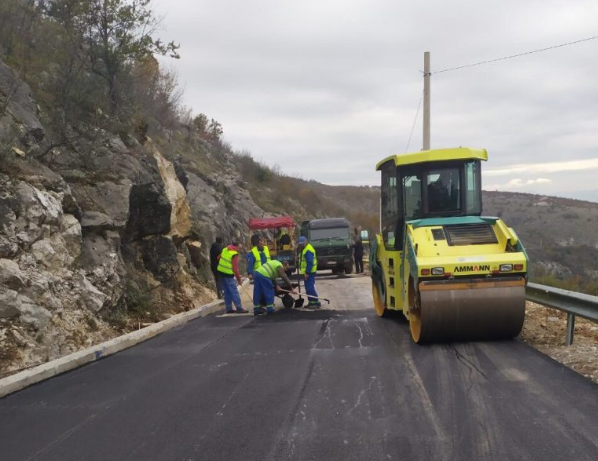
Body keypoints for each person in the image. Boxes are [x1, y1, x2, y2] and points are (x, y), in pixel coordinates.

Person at [217, 241, 248, 314]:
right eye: (239, 248)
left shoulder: (225, 249)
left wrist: (224, 264)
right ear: (236, 246)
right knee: (234, 291)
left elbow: (218, 258)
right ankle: (239, 308)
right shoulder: (234, 254)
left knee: (227, 291)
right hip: (228, 274)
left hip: (221, 272)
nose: (240, 250)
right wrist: (239, 279)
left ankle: (229, 308)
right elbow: (235, 269)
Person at [297, 236, 320, 308]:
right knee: (307, 288)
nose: (301, 245)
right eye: (300, 244)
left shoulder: (308, 250)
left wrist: (307, 272)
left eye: (302, 244)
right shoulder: (304, 249)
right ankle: (311, 302)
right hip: (307, 272)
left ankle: (316, 302)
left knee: (310, 287)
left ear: (306, 242)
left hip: (310, 272)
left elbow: (310, 262)